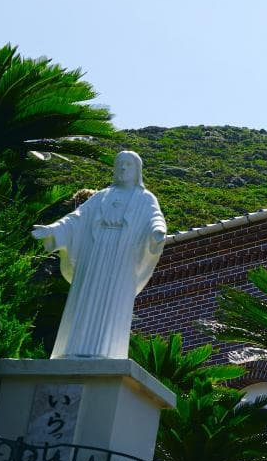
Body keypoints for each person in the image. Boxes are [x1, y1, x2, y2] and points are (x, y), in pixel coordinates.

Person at [32, 150, 167, 361]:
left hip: (122, 257)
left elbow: (155, 218)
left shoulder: (145, 198)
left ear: (136, 170)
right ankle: (72, 349)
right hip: (94, 254)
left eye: (128, 165)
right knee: (85, 299)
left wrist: (157, 232)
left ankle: (106, 351)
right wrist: (53, 229)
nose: (123, 168)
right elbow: (76, 218)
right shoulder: (101, 196)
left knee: (112, 301)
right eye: (119, 164)